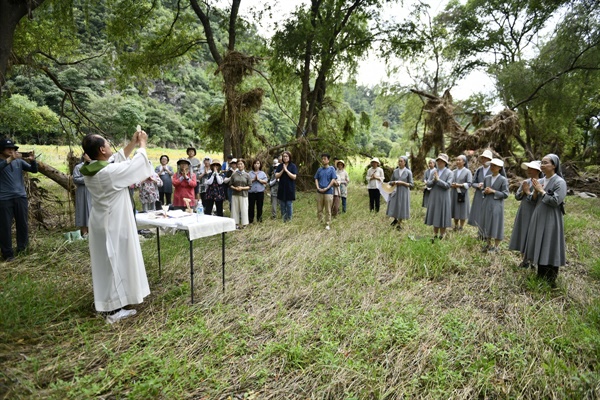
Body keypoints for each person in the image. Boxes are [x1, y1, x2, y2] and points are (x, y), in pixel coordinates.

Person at [80, 131, 153, 323]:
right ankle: (113, 310)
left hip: (101, 220)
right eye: (107, 143)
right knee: (114, 262)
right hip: (114, 223)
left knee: (107, 263)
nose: (111, 146)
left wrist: (131, 142)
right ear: (102, 149)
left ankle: (111, 303)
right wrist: (142, 145)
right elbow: (135, 166)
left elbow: (117, 160)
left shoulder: (91, 169)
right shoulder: (107, 174)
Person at [524, 154, 567, 287]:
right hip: (539, 216)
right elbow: (532, 200)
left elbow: (555, 201)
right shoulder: (541, 180)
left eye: (546, 163)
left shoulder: (560, 182)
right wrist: (534, 193)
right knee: (541, 243)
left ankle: (551, 278)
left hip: (551, 218)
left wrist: (541, 191)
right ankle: (540, 274)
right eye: (541, 162)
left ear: (554, 165)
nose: (542, 165)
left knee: (549, 243)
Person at [0, 138, 38, 261]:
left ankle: (23, 248)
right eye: (9, 148)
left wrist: (33, 161)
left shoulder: (19, 162)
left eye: (13, 148)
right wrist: (9, 160)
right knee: (5, 226)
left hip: (20, 196)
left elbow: (34, 170)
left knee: (22, 223)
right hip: (4, 198)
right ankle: (8, 254)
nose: (12, 150)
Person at [509, 160, 543, 268]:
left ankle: (532, 260)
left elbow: (536, 199)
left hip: (534, 212)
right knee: (523, 233)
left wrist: (528, 192)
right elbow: (517, 196)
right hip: (523, 211)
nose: (528, 171)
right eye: (528, 168)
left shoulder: (542, 182)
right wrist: (524, 191)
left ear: (537, 170)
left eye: (531, 168)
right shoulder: (526, 181)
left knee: (532, 234)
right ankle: (524, 260)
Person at [480, 158, 509, 253]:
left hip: (497, 204)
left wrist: (493, 191)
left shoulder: (503, 179)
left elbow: (505, 194)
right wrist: (484, 191)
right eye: (491, 165)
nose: (492, 167)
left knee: (496, 223)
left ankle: (496, 246)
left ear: (500, 168)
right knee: (487, 222)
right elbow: (483, 190)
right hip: (487, 203)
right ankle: (488, 244)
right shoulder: (487, 178)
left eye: (495, 166)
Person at [425, 153, 453, 242]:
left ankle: (442, 234)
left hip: (444, 197)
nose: (439, 162)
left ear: (445, 162)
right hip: (434, 196)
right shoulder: (433, 171)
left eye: (442, 161)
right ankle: (435, 234)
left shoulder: (450, 173)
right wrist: (433, 180)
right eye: (438, 160)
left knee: (442, 214)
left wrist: (438, 180)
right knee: (435, 214)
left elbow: (448, 185)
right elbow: (428, 184)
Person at [468, 149, 494, 238]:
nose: (484, 160)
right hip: (479, 194)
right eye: (483, 158)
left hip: (489, 194)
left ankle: (487, 234)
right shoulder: (479, 170)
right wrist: (477, 185)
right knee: (479, 213)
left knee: (488, 214)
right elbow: (472, 182)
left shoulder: (494, 169)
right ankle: (480, 234)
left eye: (486, 158)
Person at [386, 156, 414, 230]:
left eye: (401, 161)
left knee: (402, 205)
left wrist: (402, 183)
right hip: (395, 190)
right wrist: (394, 182)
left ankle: (400, 223)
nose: (399, 163)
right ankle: (395, 219)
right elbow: (391, 181)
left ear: (405, 162)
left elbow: (411, 184)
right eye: (399, 161)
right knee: (394, 204)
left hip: (404, 191)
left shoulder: (408, 172)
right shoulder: (395, 171)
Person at [314, 153, 337, 230]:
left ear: (328, 160)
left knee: (328, 209)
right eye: (322, 159)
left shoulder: (331, 169)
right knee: (319, 209)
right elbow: (316, 178)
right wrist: (317, 187)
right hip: (319, 191)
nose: (323, 160)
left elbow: (333, 179)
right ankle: (319, 222)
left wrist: (327, 187)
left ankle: (327, 223)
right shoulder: (319, 169)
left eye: (325, 158)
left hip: (328, 192)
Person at [451, 155, 473, 231]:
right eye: (456, 160)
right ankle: (456, 225)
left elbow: (470, 183)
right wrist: (452, 185)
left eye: (459, 160)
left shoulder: (467, 172)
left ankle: (461, 226)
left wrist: (460, 185)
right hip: (454, 193)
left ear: (464, 162)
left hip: (462, 193)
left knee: (462, 209)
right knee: (455, 208)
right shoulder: (453, 171)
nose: (457, 162)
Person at [228, 159, 251, 229]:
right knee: (235, 209)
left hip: (244, 195)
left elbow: (249, 186)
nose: (240, 165)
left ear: (244, 165)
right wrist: (235, 188)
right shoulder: (234, 174)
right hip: (235, 194)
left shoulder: (247, 175)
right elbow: (230, 184)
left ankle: (244, 224)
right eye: (238, 164)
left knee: (244, 209)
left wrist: (242, 188)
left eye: (241, 164)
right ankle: (235, 224)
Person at [73, 154, 92, 237]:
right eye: (88, 154)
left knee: (92, 210)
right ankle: (84, 233)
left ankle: (92, 232)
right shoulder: (78, 167)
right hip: (82, 191)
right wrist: (87, 179)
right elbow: (75, 179)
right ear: (84, 156)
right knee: (82, 210)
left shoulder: (94, 166)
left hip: (93, 190)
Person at [275, 151, 297, 222]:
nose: (285, 158)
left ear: (289, 157)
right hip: (282, 187)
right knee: (282, 204)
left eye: (286, 156)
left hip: (290, 188)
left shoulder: (293, 166)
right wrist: (282, 170)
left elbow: (294, 177)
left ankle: (289, 219)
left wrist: (286, 170)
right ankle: (283, 219)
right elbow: (276, 176)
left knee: (289, 204)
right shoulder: (280, 166)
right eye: (284, 156)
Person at [248, 159, 268, 223]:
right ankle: (250, 220)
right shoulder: (249, 173)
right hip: (251, 192)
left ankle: (259, 220)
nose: (256, 165)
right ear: (253, 165)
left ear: (260, 165)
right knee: (251, 207)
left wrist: (259, 180)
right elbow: (247, 182)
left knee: (259, 206)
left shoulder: (262, 173)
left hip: (260, 192)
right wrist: (253, 179)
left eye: (258, 163)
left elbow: (265, 181)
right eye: (255, 163)